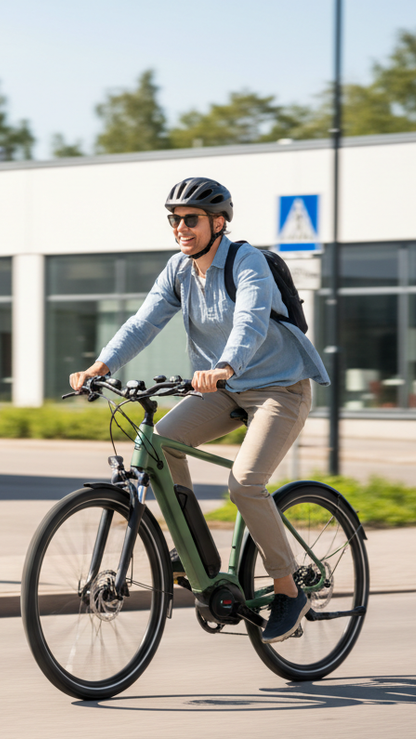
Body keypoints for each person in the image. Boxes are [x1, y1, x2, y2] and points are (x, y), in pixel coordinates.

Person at [69, 177, 329, 644]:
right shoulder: (178, 270)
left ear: (219, 222)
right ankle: (194, 552)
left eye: (191, 219)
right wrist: (100, 365)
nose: (180, 228)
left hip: (279, 387)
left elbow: (249, 319)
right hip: (224, 389)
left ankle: (290, 591)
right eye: (174, 219)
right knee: (161, 446)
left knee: (245, 484)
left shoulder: (246, 262)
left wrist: (227, 363)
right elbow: (144, 321)